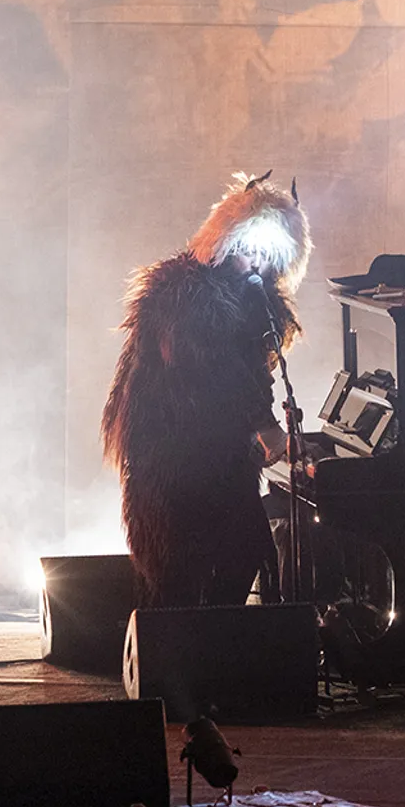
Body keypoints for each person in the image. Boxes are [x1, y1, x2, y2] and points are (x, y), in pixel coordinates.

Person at [102, 171, 310, 608]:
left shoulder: (256, 299)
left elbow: (254, 371)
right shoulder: (184, 294)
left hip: (220, 454)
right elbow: (215, 368)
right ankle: (186, 641)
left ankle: (216, 632)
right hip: (175, 454)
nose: (256, 262)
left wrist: (265, 425)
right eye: (248, 250)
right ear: (225, 243)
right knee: (178, 571)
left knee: (245, 551)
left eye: (265, 254)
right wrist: (264, 423)